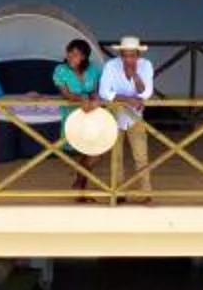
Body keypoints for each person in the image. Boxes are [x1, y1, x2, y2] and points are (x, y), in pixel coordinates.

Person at [96, 34, 156, 202]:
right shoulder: (111, 66)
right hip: (114, 115)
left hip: (135, 116)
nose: (128, 58)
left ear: (138, 54)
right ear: (120, 54)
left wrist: (135, 75)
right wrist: (127, 99)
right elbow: (104, 92)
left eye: (132, 55)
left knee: (141, 154)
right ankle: (119, 192)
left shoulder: (146, 66)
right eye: (125, 55)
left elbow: (146, 93)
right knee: (116, 155)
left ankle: (146, 192)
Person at [53, 38, 103, 196]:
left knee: (96, 150)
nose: (70, 56)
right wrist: (82, 99)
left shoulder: (93, 70)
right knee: (82, 148)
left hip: (91, 111)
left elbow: (94, 91)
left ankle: (80, 181)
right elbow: (65, 93)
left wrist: (96, 103)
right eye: (69, 52)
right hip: (72, 113)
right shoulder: (61, 70)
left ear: (84, 57)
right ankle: (81, 185)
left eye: (75, 54)